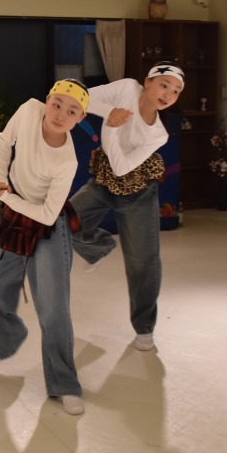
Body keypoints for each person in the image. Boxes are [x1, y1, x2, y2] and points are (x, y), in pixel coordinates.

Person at [0, 79, 89, 416]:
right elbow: (5, 140)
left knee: (53, 309)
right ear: (47, 100)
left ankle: (65, 383)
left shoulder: (67, 161)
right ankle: (9, 338)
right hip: (17, 215)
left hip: (49, 226)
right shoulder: (28, 110)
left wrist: (6, 197)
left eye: (72, 111)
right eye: (57, 104)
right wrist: (0, 177)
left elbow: (48, 215)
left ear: (80, 118)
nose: (61, 114)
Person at [70, 61, 184, 353]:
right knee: (63, 222)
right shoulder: (126, 88)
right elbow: (80, 97)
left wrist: (110, 127)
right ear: (147, 82)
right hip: (103, 179)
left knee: (142, 261)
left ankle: (144, 327)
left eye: (176, 91)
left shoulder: (158, 135)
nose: (168, 94)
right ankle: (97, 248)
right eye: (164, 85)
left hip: (138, 191)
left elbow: (122, 167)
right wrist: (109, 112)